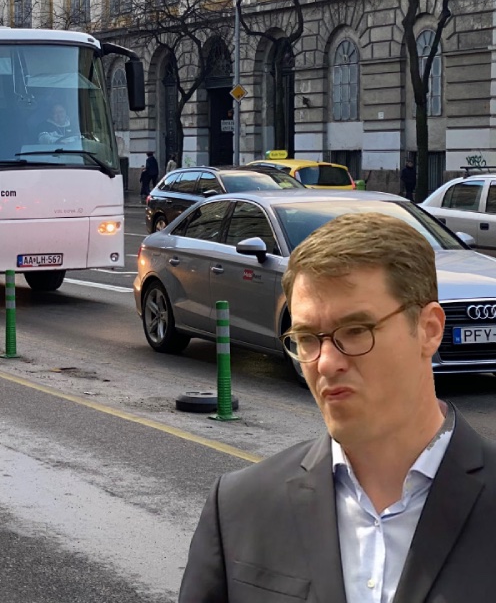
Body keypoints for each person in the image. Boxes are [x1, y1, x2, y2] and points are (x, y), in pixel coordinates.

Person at [179, 212, 496, 602]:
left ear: (429, 329)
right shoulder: (239, 508)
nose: (325, 362)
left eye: (356, 331)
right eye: (308, 338)